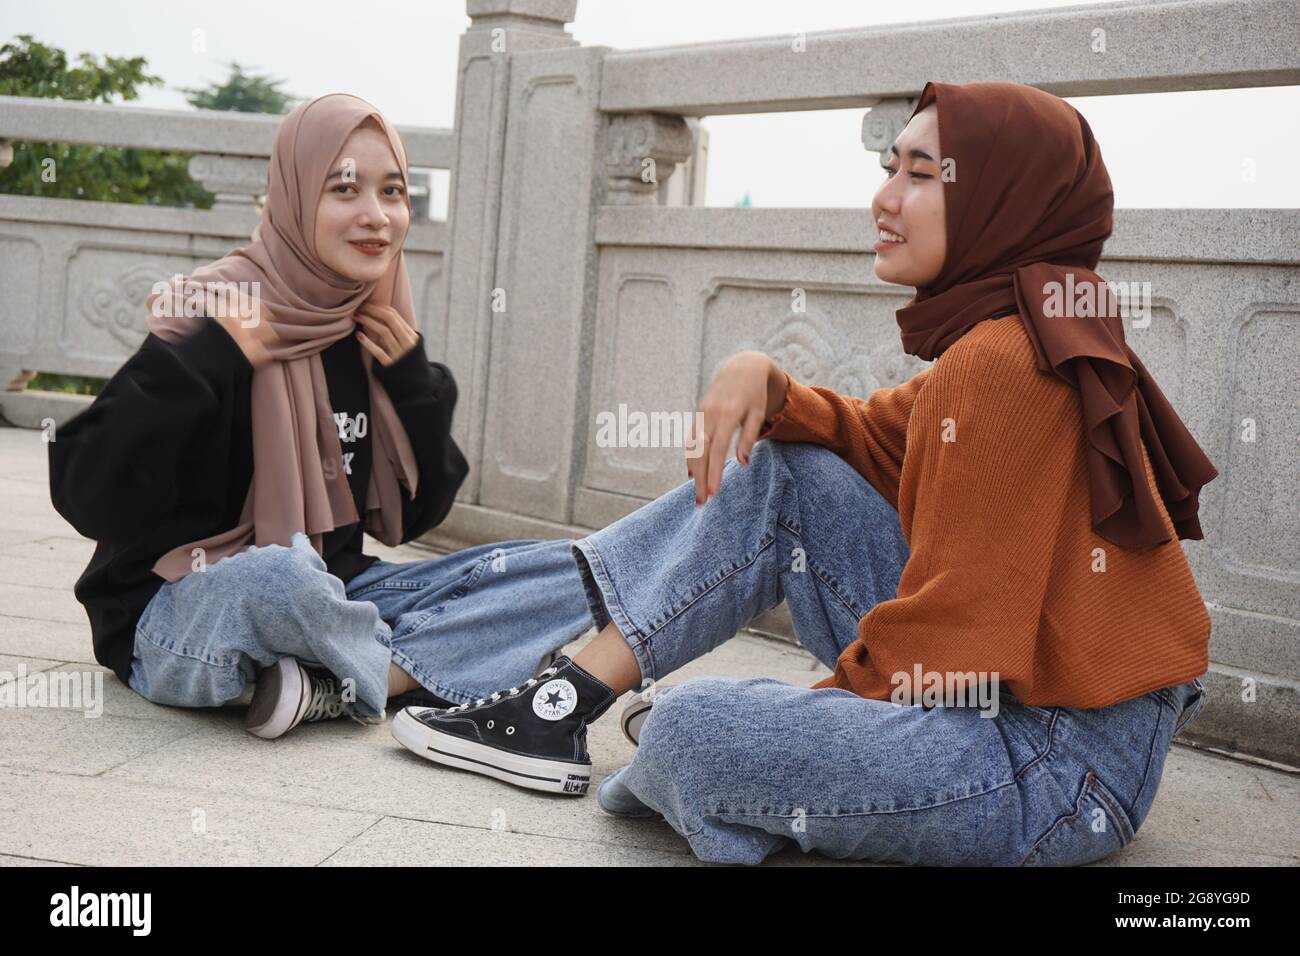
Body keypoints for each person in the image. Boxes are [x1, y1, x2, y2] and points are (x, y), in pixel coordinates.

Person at [389, 81, 1218, 866]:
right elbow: (874, 437)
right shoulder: (1009, 331)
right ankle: (564, 699)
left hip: (1056, 763)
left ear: (1006, 200)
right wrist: (771, 380)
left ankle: (604, 713)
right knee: (783, 471)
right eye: (889, 167)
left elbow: (954, 634)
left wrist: (805, 728)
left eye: (921, 175)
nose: (885, 198)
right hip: (1040, 715)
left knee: (699, 732)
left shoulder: (1002, 361)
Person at [47, 94, 596, 740]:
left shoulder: (372, 327)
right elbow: (84, 487)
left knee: (568, 571)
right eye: (345, 190)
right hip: (180, 610)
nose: (376, 216)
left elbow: (415, 520)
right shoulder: (219, 314)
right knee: (285, 573)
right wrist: (210, 355)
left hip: (339, 594)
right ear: (295, 196)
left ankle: (322, 684)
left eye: (393, 192)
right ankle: (418, 668)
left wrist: (413, 384)